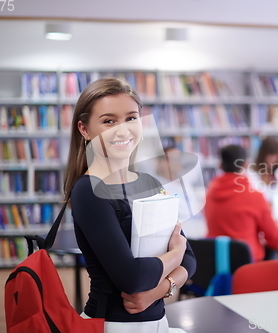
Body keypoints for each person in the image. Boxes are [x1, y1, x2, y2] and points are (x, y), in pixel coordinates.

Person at [63, 78, 196, 332]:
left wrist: (157, 291)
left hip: (158, 322)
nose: (122, 130)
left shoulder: (148, 182)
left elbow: (190, 261)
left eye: (131, 118)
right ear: (84, 129)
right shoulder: (89, 190)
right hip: (111, 325)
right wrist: (174, 255)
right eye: (109, 121)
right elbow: (131, 277)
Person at [204, 144, 278, 262]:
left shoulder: (209, 193)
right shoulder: (254, 196)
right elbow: (276, 241)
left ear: (220, 165)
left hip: (217, 261)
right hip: (248, 264)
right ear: (245, 165)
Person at [154, 146, 200, 222]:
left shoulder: (183, 181)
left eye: (180, 159)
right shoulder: (157, 186)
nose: (179, 163)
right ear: (161, 163)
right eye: (175, 159)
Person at [247, 137, 278, 202]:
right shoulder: (251, 173)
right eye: (270, 156)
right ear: (263, 155)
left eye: (276, 156)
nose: (274, 160)